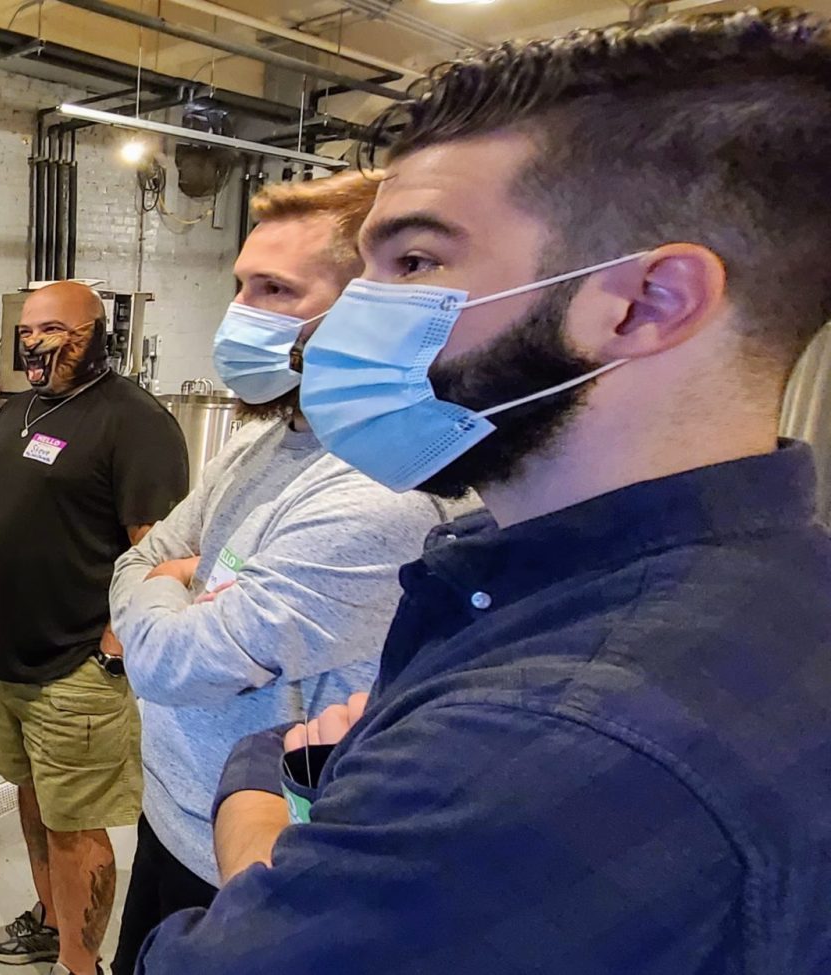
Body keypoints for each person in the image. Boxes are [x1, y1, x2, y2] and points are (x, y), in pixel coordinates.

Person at [138, 10, 831, 973]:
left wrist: (262, 778)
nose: (345, 324)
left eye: (415, 263)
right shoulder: (751, 590)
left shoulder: (552, 732)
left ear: (648, 302)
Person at [101, 172, 452, 975]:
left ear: (368, 309)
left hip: (255, 851)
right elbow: (140, 559)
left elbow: (165, 661)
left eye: (275, 289)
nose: (239, 312)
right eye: (241, 285)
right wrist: (169, 581)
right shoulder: (264, 440)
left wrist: (165, 589)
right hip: (174, 808)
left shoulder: (378, 494)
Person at [0, 282, 189, 975]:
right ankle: (50, 920)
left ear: (98, 335)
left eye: (55, 328)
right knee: (34, 798)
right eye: (28, 330)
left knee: (75, 824)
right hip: (3, 658)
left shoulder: (135, 420)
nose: (34, 341)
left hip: (74, 665)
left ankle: (79, 964)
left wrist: (112, 651)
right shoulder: (20, 406)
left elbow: (162, 553)